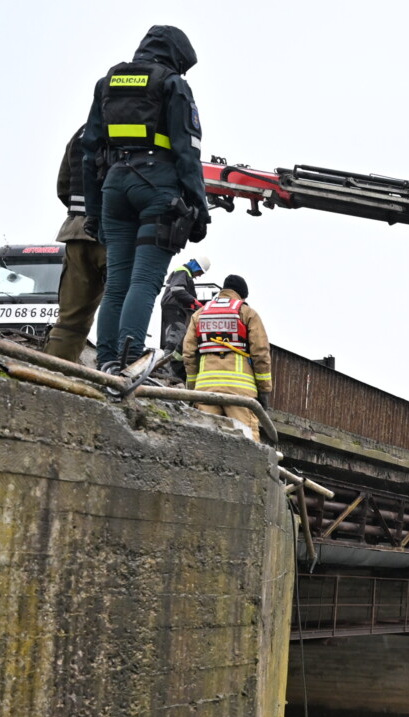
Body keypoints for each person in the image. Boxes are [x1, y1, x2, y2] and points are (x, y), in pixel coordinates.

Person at [83, 25, 211, 375]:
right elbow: (187, 151)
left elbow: (88, 151)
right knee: (144, 280)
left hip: (114, 187)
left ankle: (107, 361)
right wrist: (199, 208)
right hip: (157, 186)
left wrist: (93, 210)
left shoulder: (107, 83)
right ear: (177, 56)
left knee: (117, 284)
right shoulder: (173, 84)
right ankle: (130, 361)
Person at [45, 126, 110, 361]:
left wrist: (82, 215)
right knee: (121, 308)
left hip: (76, 232)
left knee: (70, 320)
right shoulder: (136, 127)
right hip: (116, 235)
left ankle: (53, 372)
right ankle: (114, 374)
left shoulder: (81, 133)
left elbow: (63, 186)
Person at [180, 274, 270, 439]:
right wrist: (264, 391)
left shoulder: (199, 314)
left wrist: (192, 388)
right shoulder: (247, 313)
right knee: (247, 443)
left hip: (205, 390)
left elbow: (188, 353)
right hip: (239, 393)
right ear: (242, 295)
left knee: (205, 440)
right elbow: (261, 353)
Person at [156, 252, 209, 381]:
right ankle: (166, 370)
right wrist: (194, 302)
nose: (199, 275)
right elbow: (177, 290)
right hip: (175, 309)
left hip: (176, 309)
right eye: (200, 272)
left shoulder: (185, 274)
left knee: (175, 339)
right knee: (174, 340)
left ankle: (167, 369)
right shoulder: (183, 272)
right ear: (197, 267)